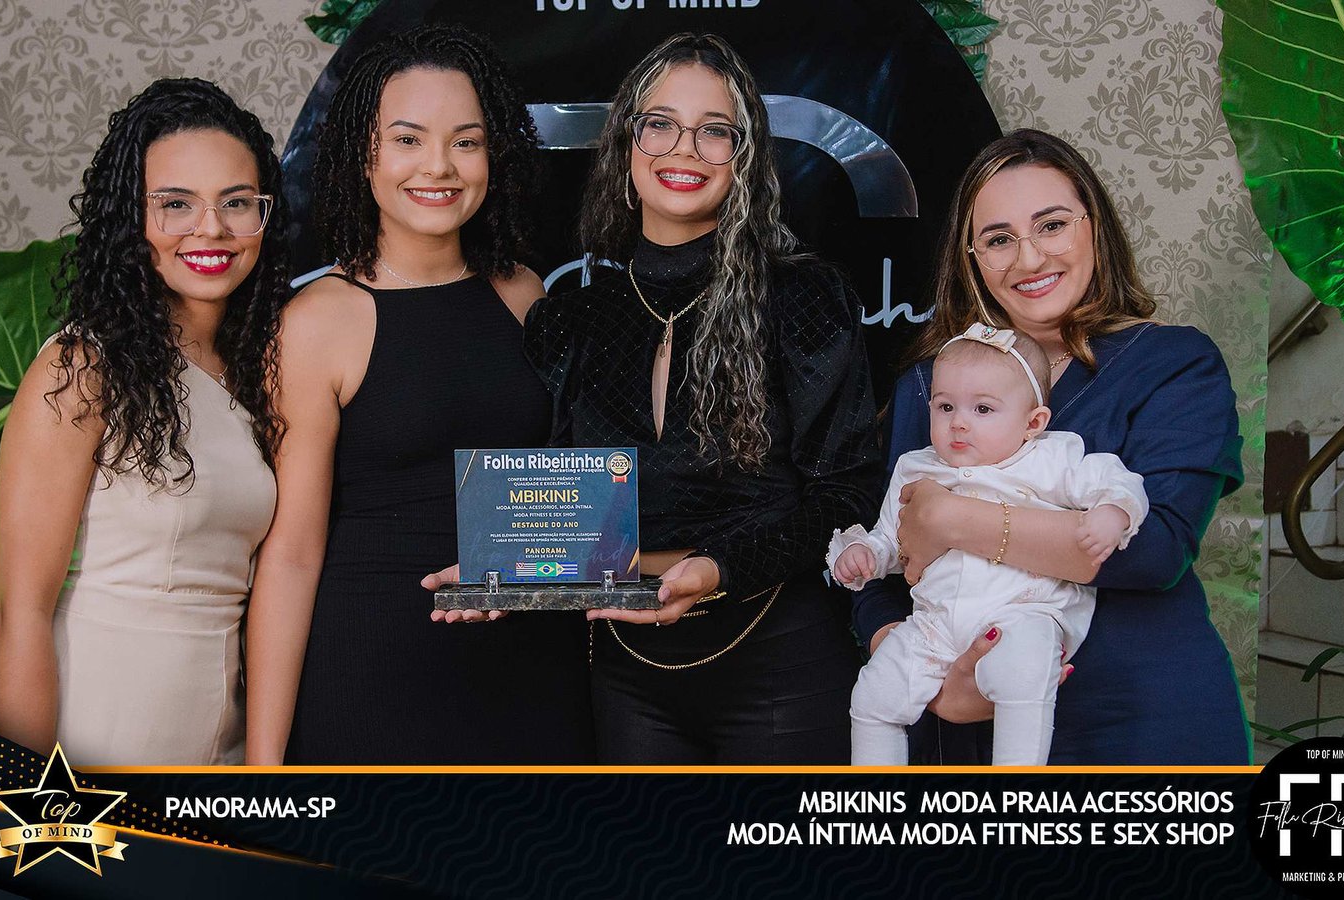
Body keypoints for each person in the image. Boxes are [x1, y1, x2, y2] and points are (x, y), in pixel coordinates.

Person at [520, 33, 881, 763]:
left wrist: (718, 568)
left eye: (714, 131)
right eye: (660, 124)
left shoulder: (804, 298)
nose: (683, 149)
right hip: (626, 670)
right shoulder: (571, 320)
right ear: (626, 143)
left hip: (780, 659)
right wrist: (495, 576)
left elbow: (847, 494)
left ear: (744, 158)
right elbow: (556, 509)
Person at [247, 25, 592, 764]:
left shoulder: (524, 294)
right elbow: (292, 555)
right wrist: (264, 762)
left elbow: (568, 502)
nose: (439, 165)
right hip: (374, 677)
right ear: (361, 154)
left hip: (532, 677)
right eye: (407, 139)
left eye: (466, 142)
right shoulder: (316, 322)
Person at [854, 128, 1249, 764]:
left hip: (1140, 724)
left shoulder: (1176, 363)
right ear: (972, 258)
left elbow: (1153, 554)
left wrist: (949, 518)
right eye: (998, 239)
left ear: (1094, 227)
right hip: (965, 730)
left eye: (1052, 225)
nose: (1030, 258)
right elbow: (877, 560)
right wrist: (921, 674)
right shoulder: (931, 385)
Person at [0, 78, 288, 764]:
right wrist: (28, 798)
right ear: (131, 218)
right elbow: (18, 613)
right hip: (98, 738)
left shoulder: (262, 369)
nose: (211, 229)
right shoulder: (82, 366)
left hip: (226, 751)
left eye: (236, 202)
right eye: (176, 204)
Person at [827, 324, 1147, 765]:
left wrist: (1114, 512)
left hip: (1023, 612)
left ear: (1033, 423)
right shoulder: (916, 468)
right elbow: (891, 538)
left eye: (982, 409)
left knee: (1021, 672)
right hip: (935, 624)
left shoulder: (1050, 458)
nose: (958, 422)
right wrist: (866, 553)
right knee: (872, 697)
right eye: (945, 406)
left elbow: (1115, 481)